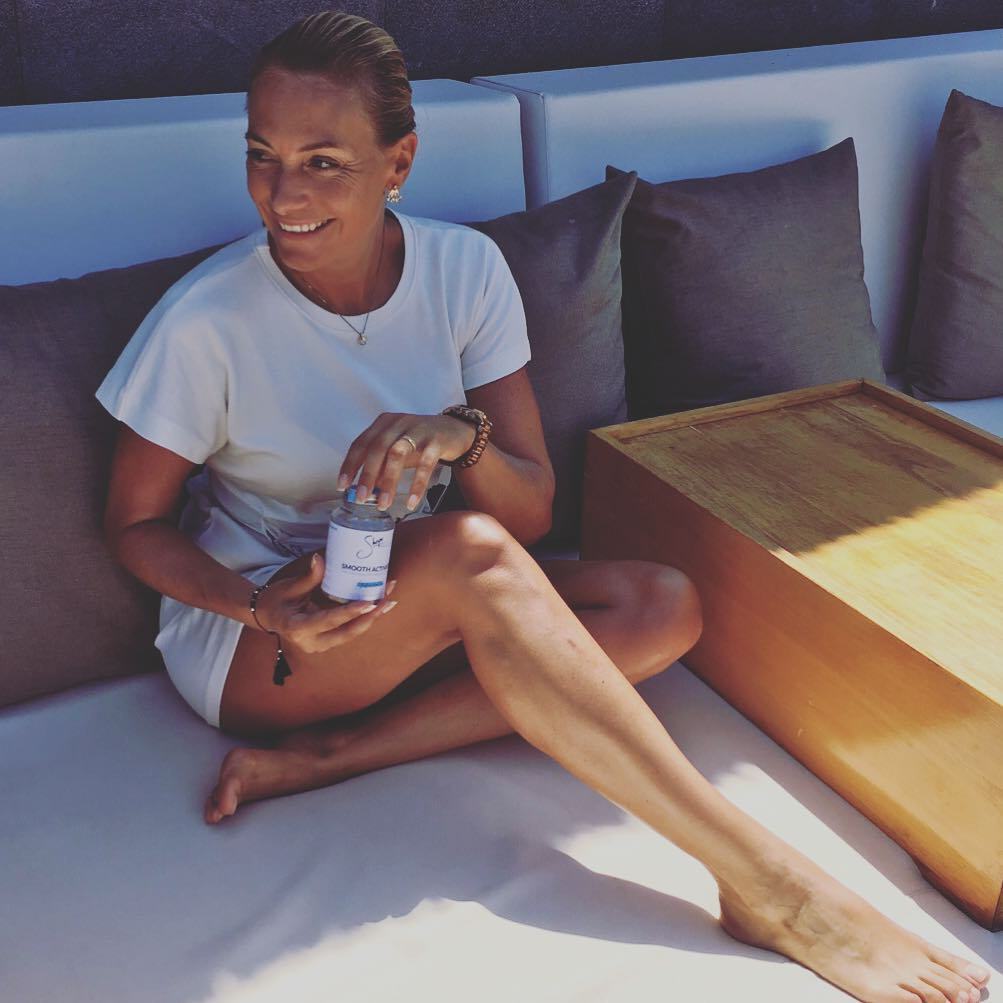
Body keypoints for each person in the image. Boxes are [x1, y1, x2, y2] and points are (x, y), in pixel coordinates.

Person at [97, 12, 989, 1003]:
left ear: (399, 163)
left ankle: (332, 755)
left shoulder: (464, 273)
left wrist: (461, 436)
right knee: (468, 552)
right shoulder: (208, 319)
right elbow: (134, 527)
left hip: (416, 604)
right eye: (262, 155)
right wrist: (263, 608)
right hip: (262, 634)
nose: (283, 194)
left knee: (659, 606)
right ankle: (767, 881)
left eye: (323, 162)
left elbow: (527, 513)